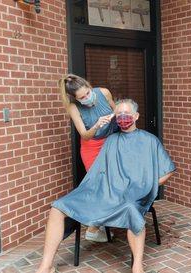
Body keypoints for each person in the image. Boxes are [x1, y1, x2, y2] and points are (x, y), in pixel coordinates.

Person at [35, 99, 176, 273]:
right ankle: (45, 266)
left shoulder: (150, 140)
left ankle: (137, 266)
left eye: (126, 114)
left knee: (131, 208)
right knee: (58, 207)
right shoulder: (111, 140)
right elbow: (99, 171)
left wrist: (147, 184)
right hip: (106, 192)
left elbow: (168, 170)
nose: (123, 118)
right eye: (119, 115)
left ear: (136, 116)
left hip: (133, 195)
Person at [58, 74, 118, 242]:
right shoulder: (74, 108)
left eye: (87, 93)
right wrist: (97, 124)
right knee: (99, 185)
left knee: (114, 182)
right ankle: (94, 228)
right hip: (92, 147)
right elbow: (84, 135)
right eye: (81, 97)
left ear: (89, 87)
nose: (86, 98)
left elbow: (117, 112)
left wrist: (120, 117)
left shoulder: (104, 93)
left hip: (111, 142)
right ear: (75, 98)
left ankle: (105, 220)